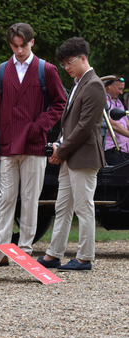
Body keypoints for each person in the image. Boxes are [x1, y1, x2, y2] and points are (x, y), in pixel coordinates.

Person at [0, 23, 67, 262]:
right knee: (6, 199)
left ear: (32, 42)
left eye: (23, 45)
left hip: (34, 145)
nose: (19, 50)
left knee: (30, 200)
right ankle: (2, 250)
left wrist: (40, 125)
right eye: (14, 46)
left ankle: (25, 251)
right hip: (8, 145)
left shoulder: (47, 70)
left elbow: (60, 103)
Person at [38, 37, 106, 271]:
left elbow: (85, 127)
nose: (66, 67)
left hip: (84, 157)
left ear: (83, 58)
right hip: (70, 155)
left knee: (83, 207)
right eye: (64, 63)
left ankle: (85, 257)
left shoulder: (94, 84)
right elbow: (69, 125)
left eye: (69, 62)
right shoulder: (79, 83)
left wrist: (61, 150)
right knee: (62, 206)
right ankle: (53, 254)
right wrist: (58, 147)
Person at [101, 75, 129, 165]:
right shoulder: (103, 101)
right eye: (119, 89)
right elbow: (111, 123)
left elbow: (125, 121)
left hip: (123, 150)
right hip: (112, 150)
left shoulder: (118, 102)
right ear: (109, 86)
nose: (121, 92)